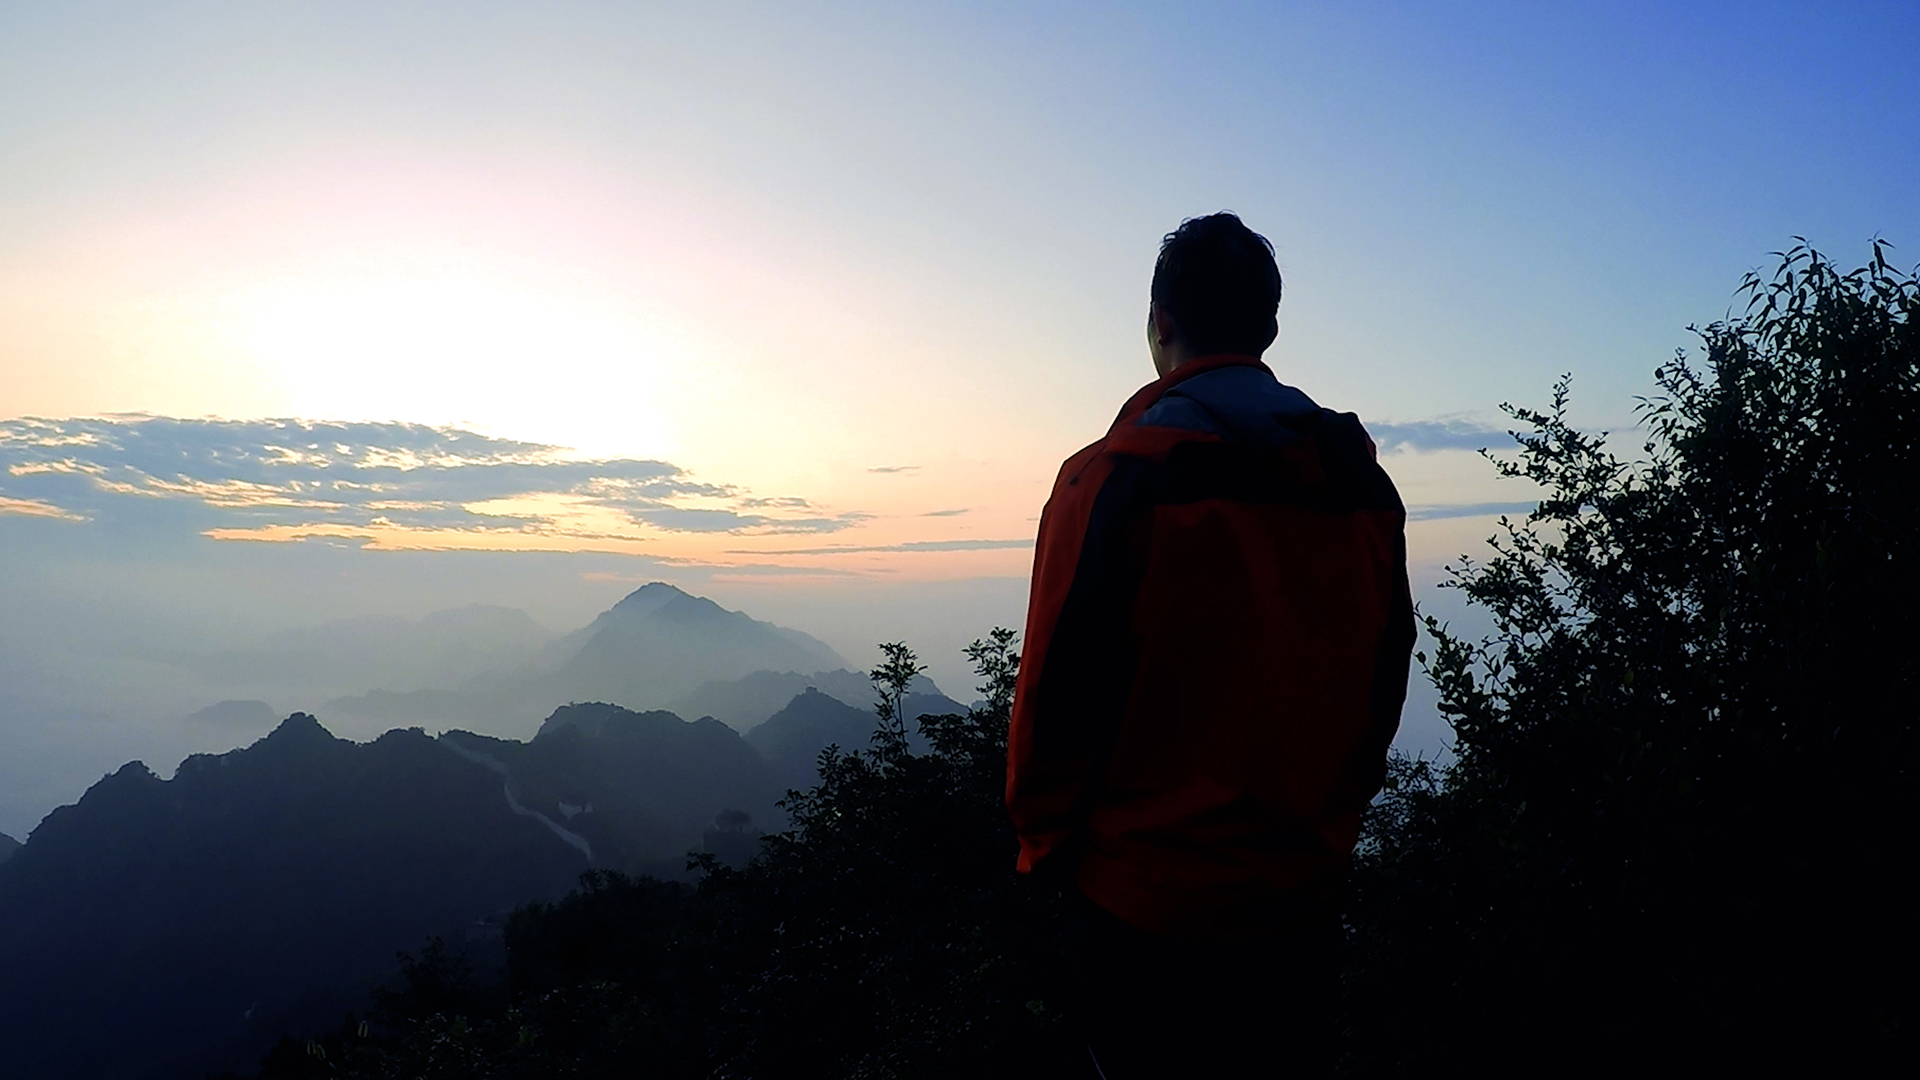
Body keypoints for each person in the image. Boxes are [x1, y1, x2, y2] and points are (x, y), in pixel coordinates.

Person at [1006, 213, 1414, 1077]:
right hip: (1300, 900)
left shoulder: (1113, 479)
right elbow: (1385, 680)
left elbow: (1053, 700)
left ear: (1159, 325)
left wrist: (1047, 850)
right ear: (1267, 329)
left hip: (1142, 910)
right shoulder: (1360, 486)